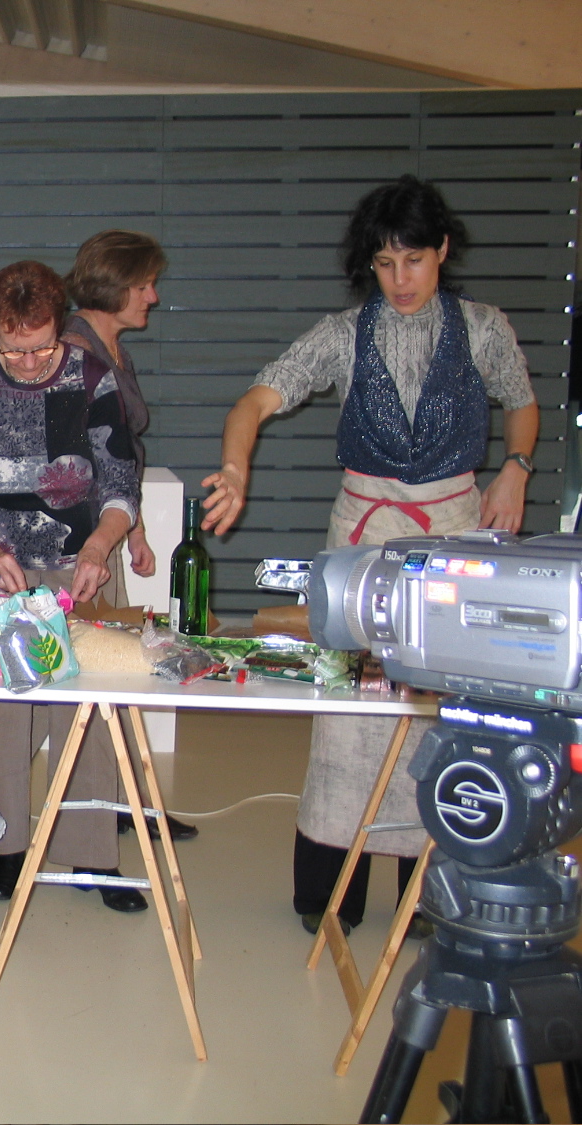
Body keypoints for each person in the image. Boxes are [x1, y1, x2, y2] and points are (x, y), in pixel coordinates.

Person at [200, 175, 538, 935]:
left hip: (452, 526)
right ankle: (331, 893)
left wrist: (515, 469)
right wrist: (235, 468)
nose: (400, 279)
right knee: (348, 707)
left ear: (442, 249)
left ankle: (426, 894)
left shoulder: (483, 328)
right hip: (364, 527)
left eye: (413, 260)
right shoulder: (343, 334)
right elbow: (256, 399)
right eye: (385, 264)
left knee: (436, 708)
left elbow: (521, 401)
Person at [0, 259, 146, 911]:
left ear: (60, 327)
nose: (29, 363)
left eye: (42, 348)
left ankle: (91, 856)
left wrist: (100, 546)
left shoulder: (93, 378)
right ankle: (1, 850)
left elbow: (120, 487)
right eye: (14, 349)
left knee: (87, 709)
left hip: (80, 562)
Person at [61, 229, 196, 842]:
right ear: (115, 284)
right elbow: (75, 461)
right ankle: (89, 824)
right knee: (83, 680)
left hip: (106, 530)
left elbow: (120, 455)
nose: (154, 296)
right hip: (76, 541)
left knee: (101, 677)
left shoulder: (111, 348)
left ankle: (116, 806)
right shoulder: (73, 351)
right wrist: (103, 537)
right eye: (145, 284)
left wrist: (133, 530)